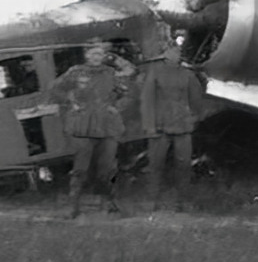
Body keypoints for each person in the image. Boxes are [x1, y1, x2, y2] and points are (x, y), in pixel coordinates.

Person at [45, 39, 133, 218]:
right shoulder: (75, 73)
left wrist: (117, 107)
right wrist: (70, 100)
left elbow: (128, 93)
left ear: (103, 56)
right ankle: (73, 207)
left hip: (106, 124)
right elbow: (54, 89)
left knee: (107, 167)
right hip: (83, 125)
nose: (96, 57)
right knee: (81, 168)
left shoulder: (110, 73)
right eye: (92, 53)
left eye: (99, 54)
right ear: (86, 55)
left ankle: (111, 204)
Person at [139, 42, 204, 212]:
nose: (175, 54)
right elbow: (147, 100)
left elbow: (196, 98)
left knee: (184, 165)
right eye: (171, 51)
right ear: (165, 54)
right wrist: (149, 126)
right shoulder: (155, 73)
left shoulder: (187, 74)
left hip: (182, 126)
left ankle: (182, 201)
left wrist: (194, 117)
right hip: (160, 127)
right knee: (155, 164)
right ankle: (152, 201)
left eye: (178, 51)